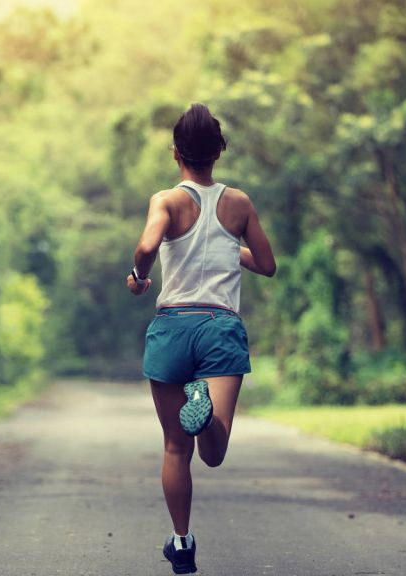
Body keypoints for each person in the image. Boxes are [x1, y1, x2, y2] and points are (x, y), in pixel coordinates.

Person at [126, 103, 276, 574]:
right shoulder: (240, 204)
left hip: (173, 326)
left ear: (176, 154)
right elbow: (268, 265)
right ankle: (205, 414)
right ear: (220, 150)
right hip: (219, 327)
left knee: (175, 447)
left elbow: (149, 246)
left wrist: (138, 276)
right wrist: (233, 248)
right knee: (213, 453)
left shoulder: (166, 201)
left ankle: (182, 542)